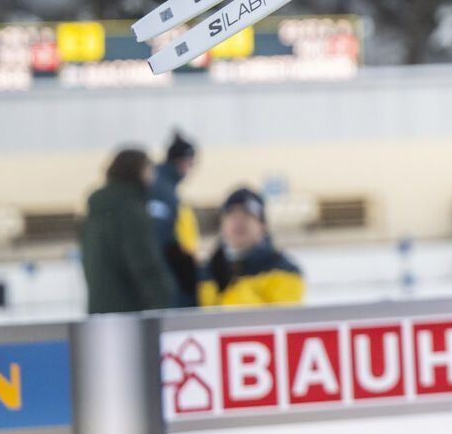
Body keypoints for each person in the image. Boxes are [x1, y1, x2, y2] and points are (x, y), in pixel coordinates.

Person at [80, 146, 174, 314]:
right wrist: (162, 301)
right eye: (149, 168)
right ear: (138, 171)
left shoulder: (94, 210)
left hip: (99, 308)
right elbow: (144, 263)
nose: (153, 175)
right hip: (130, 313)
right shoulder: (130, 211)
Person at [198, 187, 305, 306]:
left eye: (247, 216)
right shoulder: (207, 270)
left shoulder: (284, 271)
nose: (239, 222)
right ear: (222, 223)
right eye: (232, 215)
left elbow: (282, 319)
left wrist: (232, 288)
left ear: (262, 226)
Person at [149, 130, 201, 307]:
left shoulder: (165, 186)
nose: (190, 171)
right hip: (168, 277)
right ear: (181, 162)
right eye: (191, 164)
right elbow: (162, 238)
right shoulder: (161, 189)